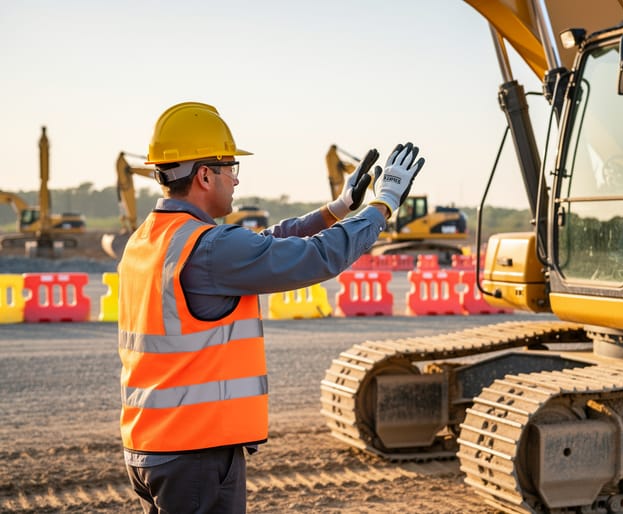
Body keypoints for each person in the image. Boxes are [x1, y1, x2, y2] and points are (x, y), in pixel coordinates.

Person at [117, 101, 424, 514]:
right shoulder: (208, 247)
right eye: (231, 170)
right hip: (196, 453)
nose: (236, 182)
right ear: (205, 175)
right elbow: (316, 257)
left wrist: (336, 210)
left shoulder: (150, 239)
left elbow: (263, 243)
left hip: (150, 448)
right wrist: (382, 205)